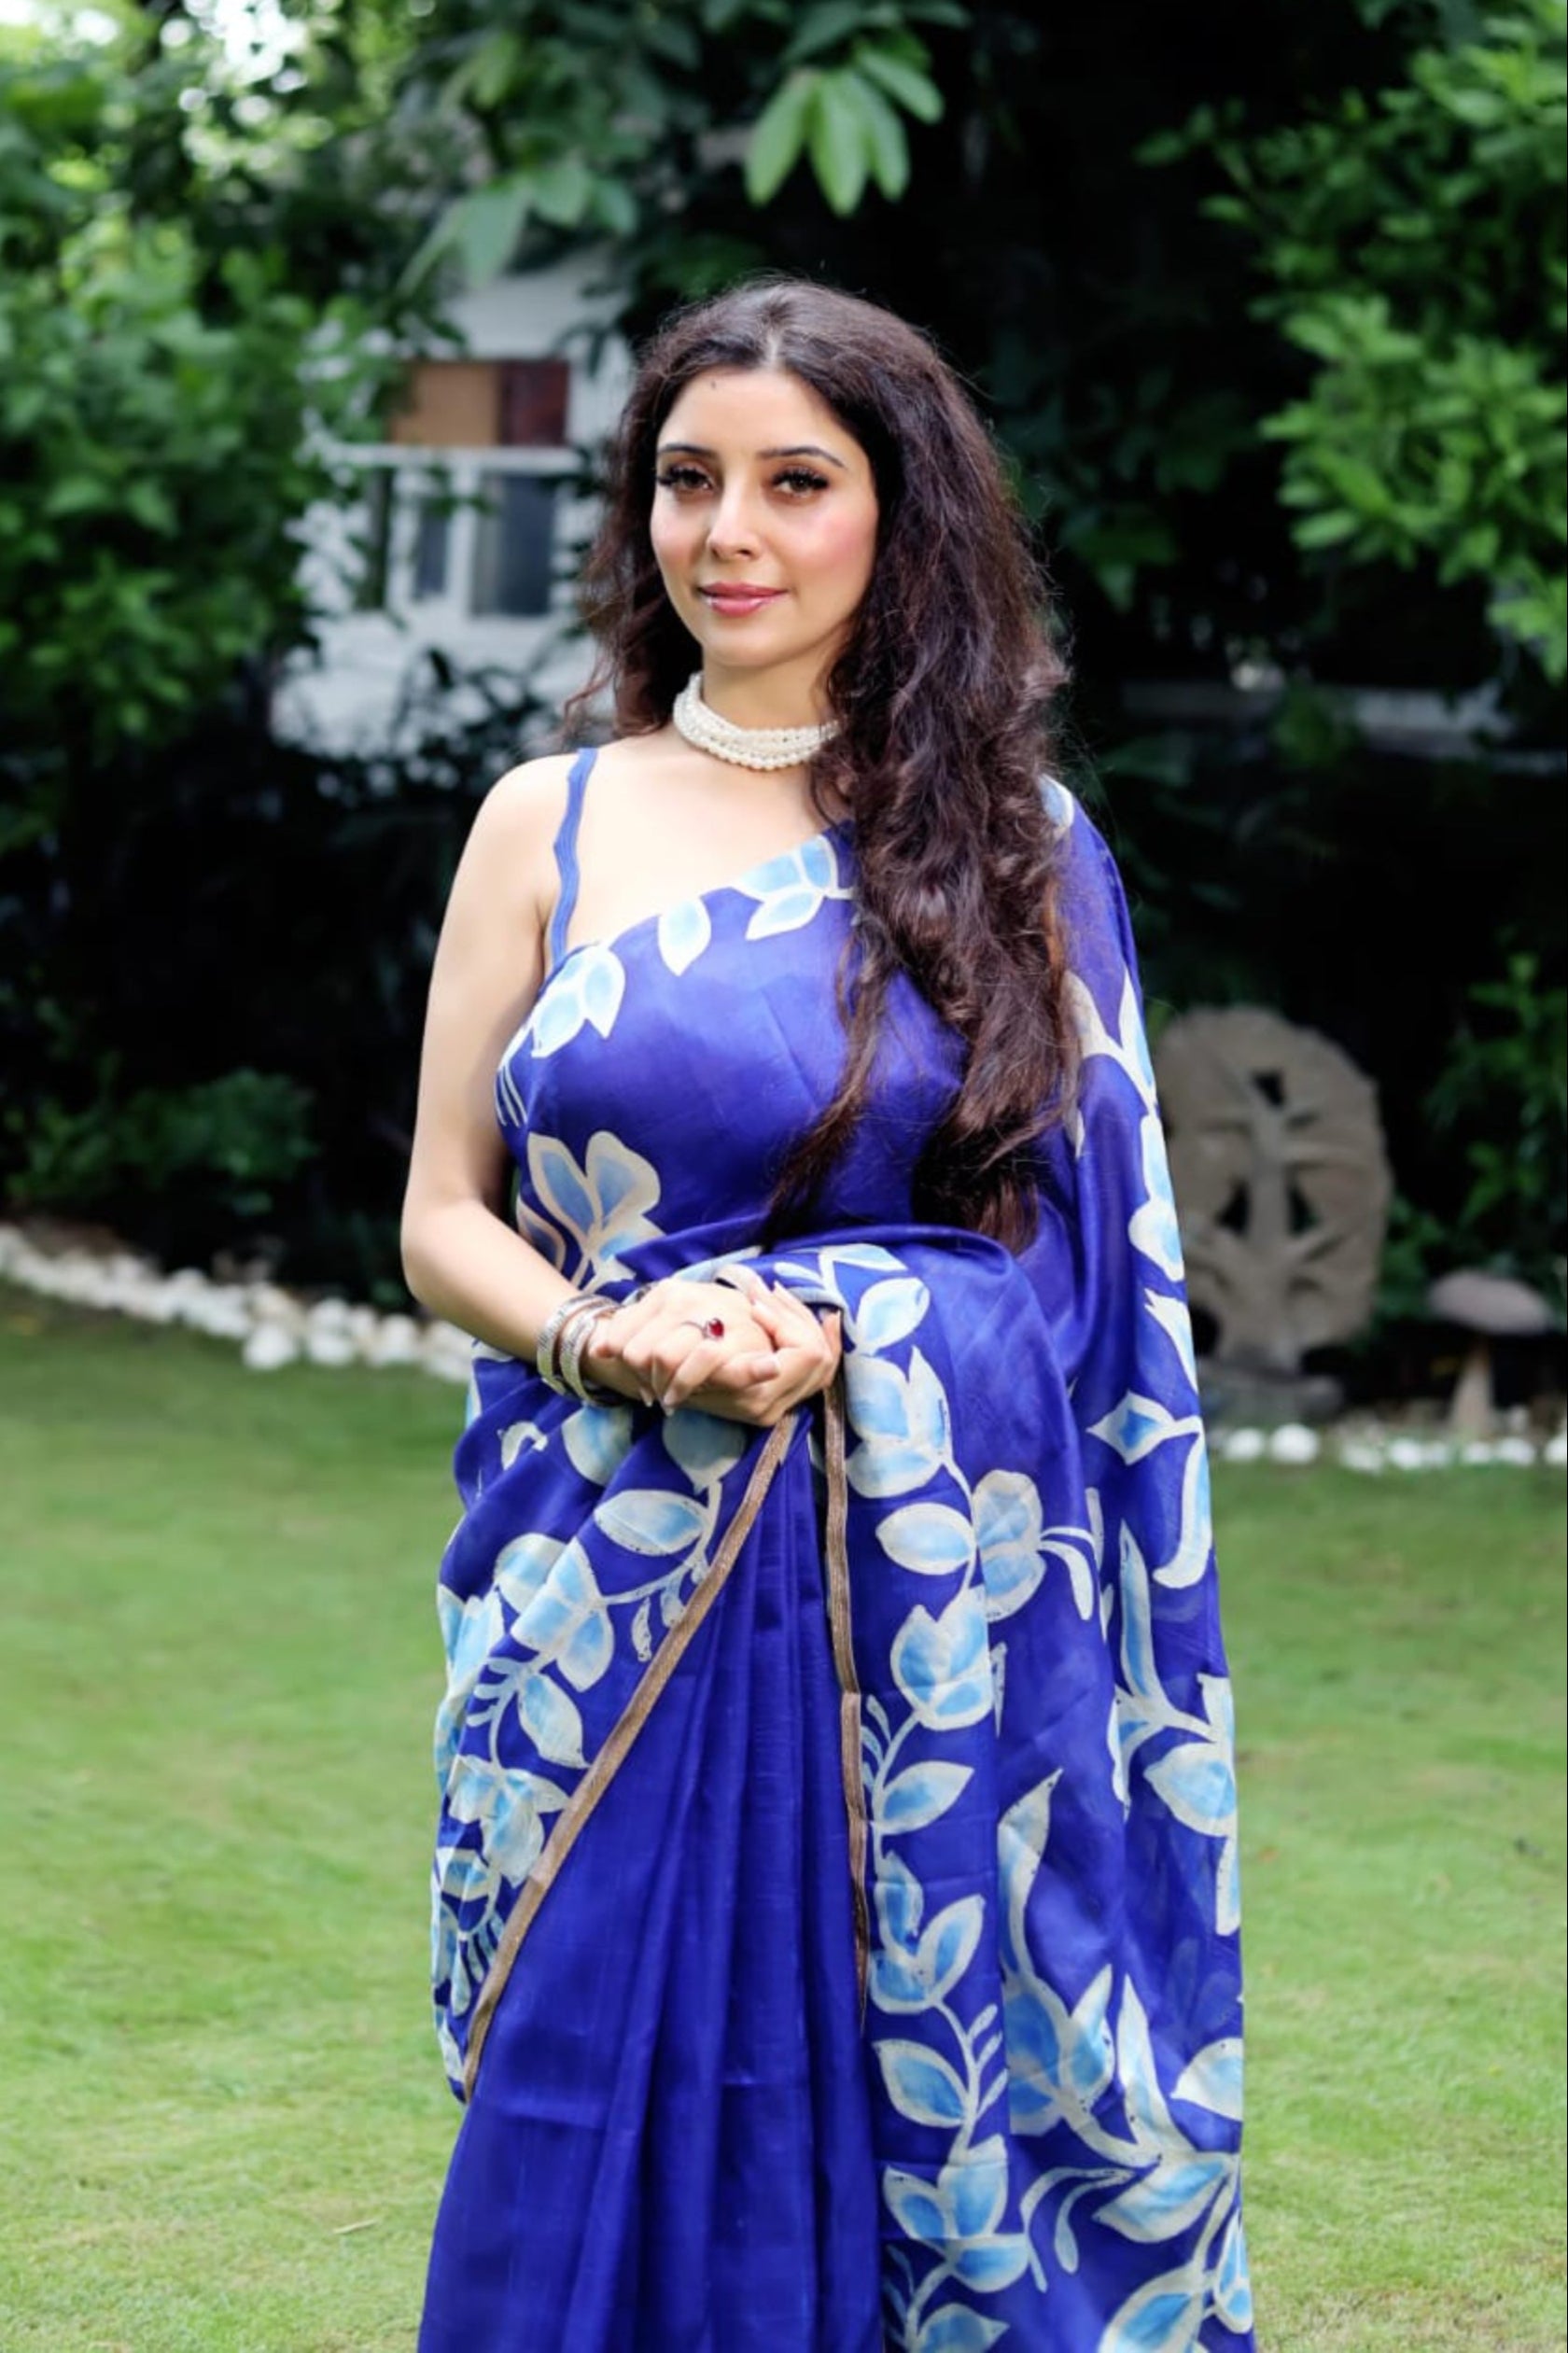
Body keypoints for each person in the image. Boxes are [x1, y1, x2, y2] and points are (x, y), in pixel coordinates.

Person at [401, 276, 1253, 2353]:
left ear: (904, 521)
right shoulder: (551, 819)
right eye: (690, 480)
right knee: (582, 2067)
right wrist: (615, 1343)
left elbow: (1087, 1278)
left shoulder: (1015, 853)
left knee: (889, 2097)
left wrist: (844, 1329)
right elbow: (442, 1216)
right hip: (600, 1581)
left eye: (799, 481)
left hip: (924, 1619)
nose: (733, 534)